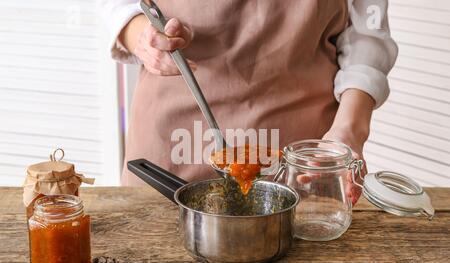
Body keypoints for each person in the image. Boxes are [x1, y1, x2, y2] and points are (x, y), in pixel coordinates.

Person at [100, 0, 398, 204]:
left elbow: (367, 35)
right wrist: (142, 36)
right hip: (171, 143)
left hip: (303, 157)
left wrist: (348, 132)